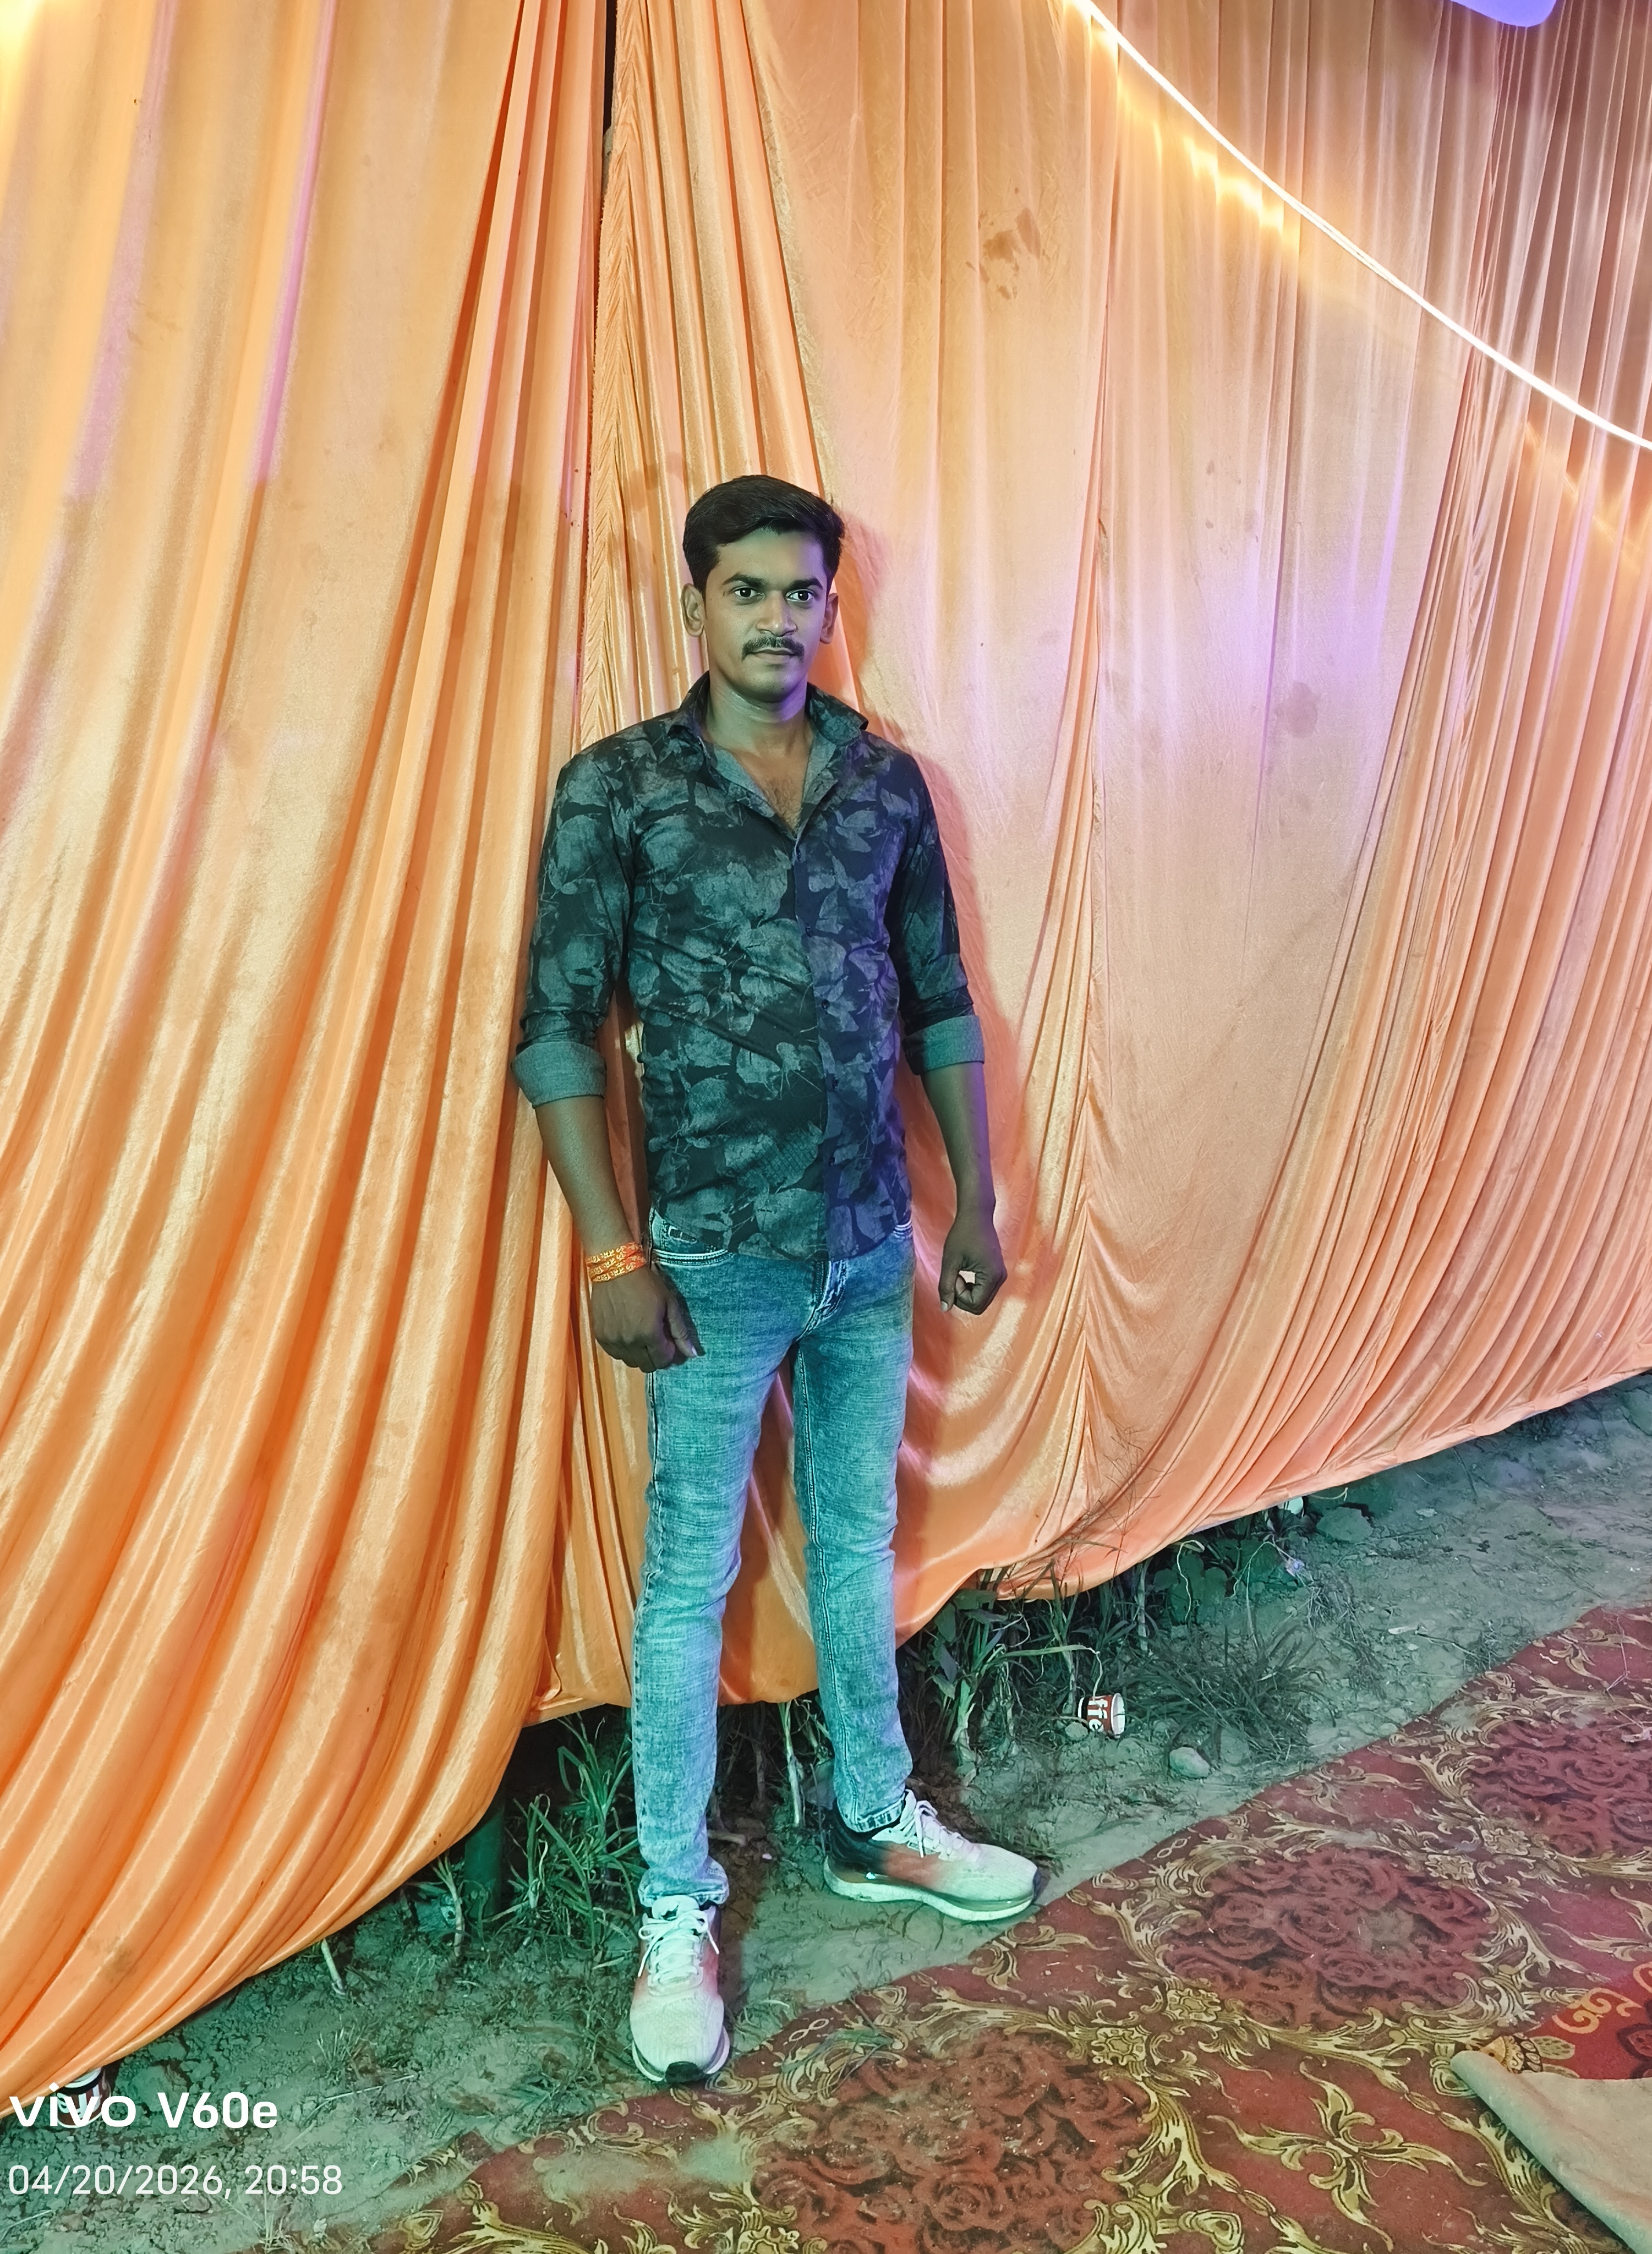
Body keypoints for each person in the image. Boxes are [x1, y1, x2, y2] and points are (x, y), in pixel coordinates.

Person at [512, 473, 1038, 2087]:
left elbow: (939, 996)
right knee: (689, 1585)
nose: (776, 618)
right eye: (744, 590)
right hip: (710, 1260)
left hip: (868, 1243)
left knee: (859, 1542)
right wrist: (612, 1247)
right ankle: (674, 1909)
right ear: (696, 606)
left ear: (829, 607)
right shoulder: (621, 789)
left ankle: (876, 1816)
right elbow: (557, 1029)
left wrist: (976, 1198)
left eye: (800, 592)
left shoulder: (884, 782)